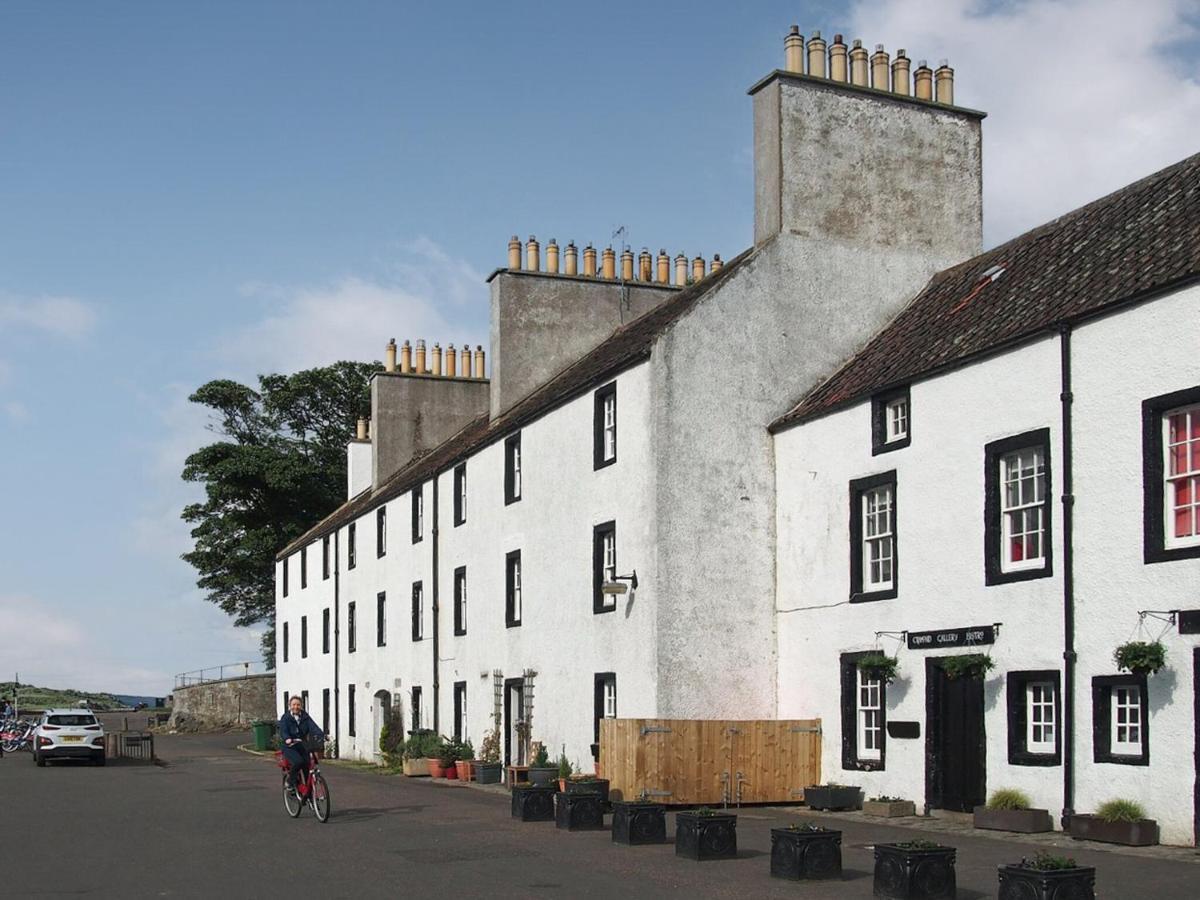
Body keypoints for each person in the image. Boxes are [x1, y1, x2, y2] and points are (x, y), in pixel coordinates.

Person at [278, 696, 324, 793]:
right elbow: (283, 730)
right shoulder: (286, 717)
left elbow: (313, 727)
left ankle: (309, 792)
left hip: (302, 744)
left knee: (308, 765)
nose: (296, 707)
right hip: (290, 746)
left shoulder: (305, 717)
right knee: (298, 762)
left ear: (301, 706)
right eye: (294, 704)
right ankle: (290, 782)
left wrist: (321, 735)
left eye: (298, 704)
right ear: (289, 706)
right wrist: (287, 738)